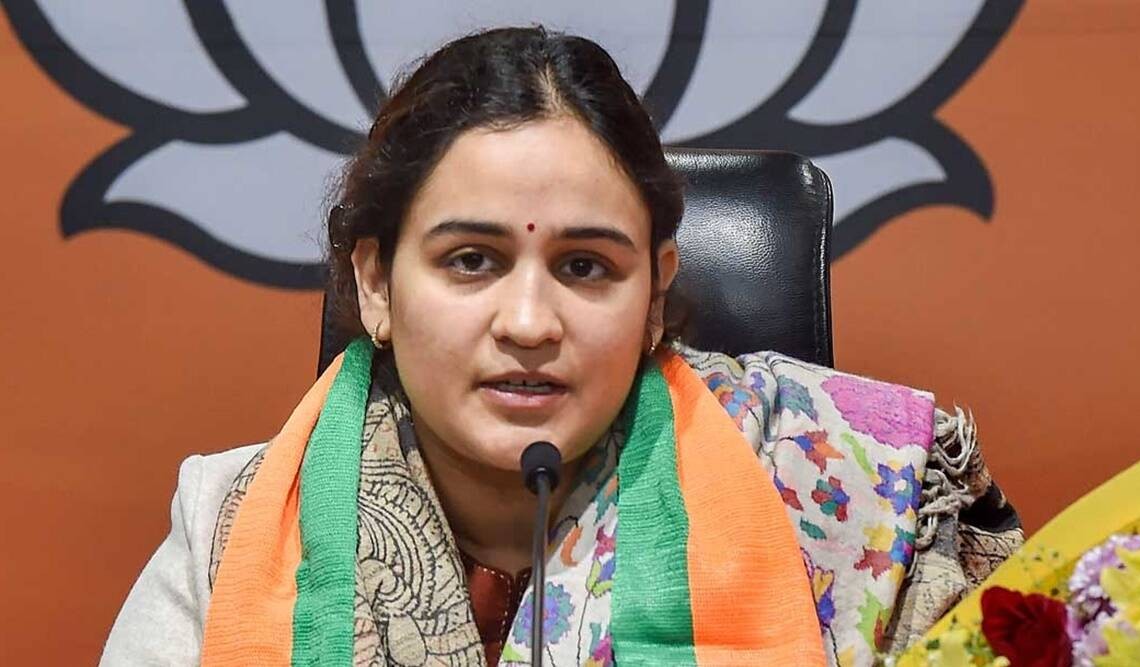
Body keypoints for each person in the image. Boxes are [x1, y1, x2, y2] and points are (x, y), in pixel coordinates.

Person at [100, 26, 1021, 667]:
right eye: (471, 260)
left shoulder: (849, 491)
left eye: (585, 266)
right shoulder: (228, 523)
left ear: (654, 293)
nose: (530, 322)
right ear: (375, 283)